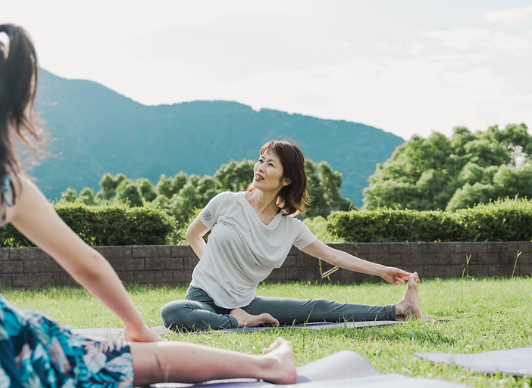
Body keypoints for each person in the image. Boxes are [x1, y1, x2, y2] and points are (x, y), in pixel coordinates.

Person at [0, 13, 298, 388]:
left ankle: (266, 365)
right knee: (152, 363)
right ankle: (267, 365)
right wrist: (137, 328)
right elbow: (87, 263)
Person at [160, 139, 422, 331]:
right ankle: (237, 321)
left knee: (319, 308)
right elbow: (193, 235)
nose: (260, 167)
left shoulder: (290, 227)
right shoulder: (226, 202)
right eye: (260, 160)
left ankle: (399, 310)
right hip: (202, 299)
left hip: (245, 302)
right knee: (174, 313)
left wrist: (381, 270)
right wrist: (214, 270)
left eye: (270, 163)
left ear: (286, 180)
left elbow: (333, 255)